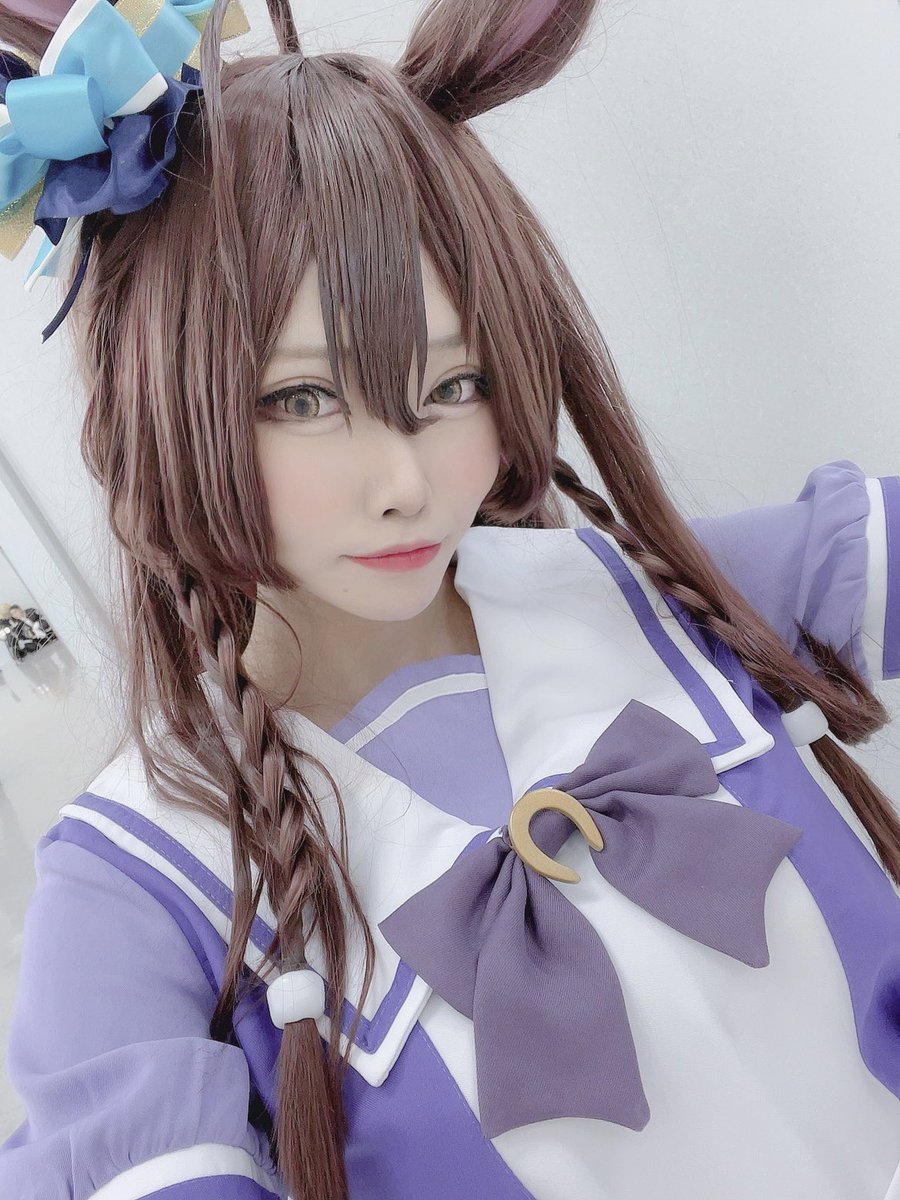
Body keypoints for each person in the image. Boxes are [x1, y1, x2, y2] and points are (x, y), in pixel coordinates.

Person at [0, 1, 899, 1198]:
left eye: (455, 384)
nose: (406, 483)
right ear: (161, 406)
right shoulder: (142, 878)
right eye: (304, 400)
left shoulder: (671, 605)